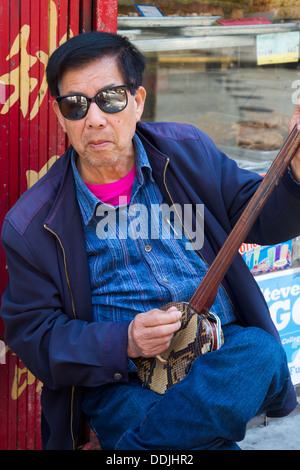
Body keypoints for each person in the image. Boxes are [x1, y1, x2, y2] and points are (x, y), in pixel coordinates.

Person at [1, 31, 300, 451]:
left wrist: (296, 171)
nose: (95, 119)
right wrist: (124, 340)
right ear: (59, 116)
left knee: (261, 352)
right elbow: (35, 335)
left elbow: (264, 220)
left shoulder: (188, 152)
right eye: (76, 105)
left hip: (221, 357)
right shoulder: (31, 224)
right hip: (123, 380)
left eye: (110, 98)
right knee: (197, 440)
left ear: (138, 101)